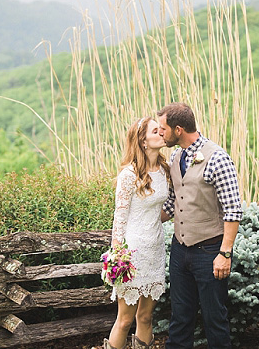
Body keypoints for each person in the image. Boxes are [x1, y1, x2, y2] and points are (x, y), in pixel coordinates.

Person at [157, 102, 243, 349]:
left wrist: (224, 254)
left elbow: (233, 210)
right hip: (180, 249)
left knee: (214, 319)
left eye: (163, 128)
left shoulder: (217, 158)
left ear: (179, 129)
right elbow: (174, 202)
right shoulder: (175, 156)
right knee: (180, 318)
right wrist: (143, 220)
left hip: (210, 251)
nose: (161, 133)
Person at [103, 117, 170, 349]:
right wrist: (117, 257)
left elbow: (166, 209)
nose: (161, 133)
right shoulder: (128, 175)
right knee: (124, 320)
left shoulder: (164, 170)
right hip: (131, 255)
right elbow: (119, 218)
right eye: (155, 130)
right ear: (143, 140)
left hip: (155, 252)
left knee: (145, 317)